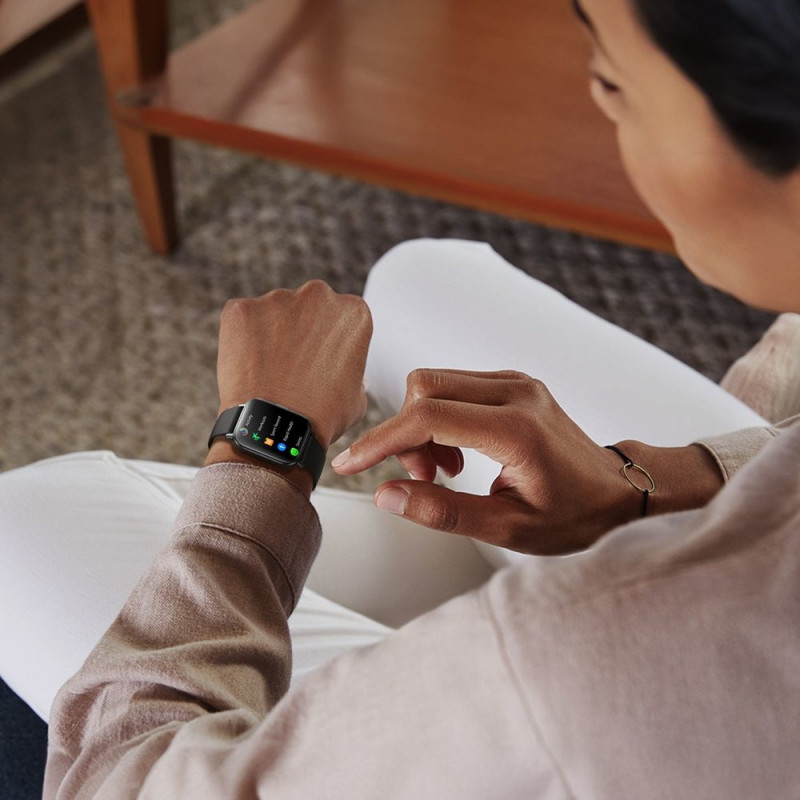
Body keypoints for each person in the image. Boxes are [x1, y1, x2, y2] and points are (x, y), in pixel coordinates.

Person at [0, 0, 798, 796]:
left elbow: (118, 783)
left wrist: (259, 455)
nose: (596, 96)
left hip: (587, 700)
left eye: (614, 79)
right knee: (416, 275)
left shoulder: (564, 665)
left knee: (25, 516)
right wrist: (647, 486)